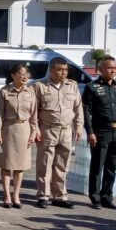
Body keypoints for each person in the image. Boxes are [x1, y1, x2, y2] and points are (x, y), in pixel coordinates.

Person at [33, 57, 84, 209]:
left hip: (66, 130)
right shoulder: (40, 86)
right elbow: (34, 111)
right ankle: (43, 195)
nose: (63, 73)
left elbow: (78, 108)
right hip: (48, 129)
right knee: (45, 164)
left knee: (62, 165)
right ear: (51, 70)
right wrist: (35, 129)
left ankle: (60, 196)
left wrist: (79, 126)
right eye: (60, 70)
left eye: (65, 70)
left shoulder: (72, 85)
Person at [82, 56, 116, 210]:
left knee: (112, 166)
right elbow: (86, 112)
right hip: (101, 132)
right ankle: (95, 198)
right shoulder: (92, 87)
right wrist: (90, 132)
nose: (113, 70)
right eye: (109, 68)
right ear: (100, 70)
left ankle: (107, 197)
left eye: (115, 68)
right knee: (97, 166)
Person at [0, 63, 38, 208]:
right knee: (6, 164)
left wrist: (33, 132)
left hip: (24, 129)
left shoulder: (30, 91)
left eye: (26, 74)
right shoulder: (5, 91)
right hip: (8, 129)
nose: (24, 76)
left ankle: (16, 195)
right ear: (13, 75)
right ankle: (6, 195)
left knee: (20, 166)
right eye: (21, 74)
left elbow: (34, 115)